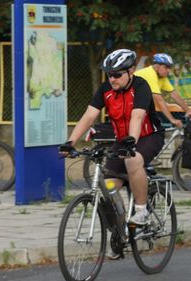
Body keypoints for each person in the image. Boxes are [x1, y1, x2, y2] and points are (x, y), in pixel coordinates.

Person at [60, 49, 164, 229]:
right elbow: (88, 116)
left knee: (132, 160)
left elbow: (137, 117)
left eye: (117, 74)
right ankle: (120, 232)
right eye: (109, 75)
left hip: (149, 136)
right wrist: (70, 142)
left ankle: (141, 211)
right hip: (123, 139)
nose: (112, 79)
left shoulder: (141, 86)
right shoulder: (106, 89)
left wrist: (130, 141)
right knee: (109, 186)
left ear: (130, 71)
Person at [134, 53, 191, 128]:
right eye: (166, 67)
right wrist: (172, 120)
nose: (169, 70)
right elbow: (159, 100)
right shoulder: (150, 74)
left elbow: (174, 94)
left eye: (169, 67)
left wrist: (188, 110)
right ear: (156, 66)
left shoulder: (162, 77)